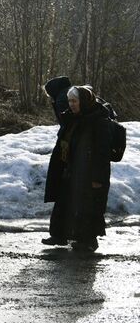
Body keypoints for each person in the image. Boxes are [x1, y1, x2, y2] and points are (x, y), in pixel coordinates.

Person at [43, 86, 113, 252]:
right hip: (71, 170)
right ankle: (59, 235)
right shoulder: (71, 118)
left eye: (75, 101)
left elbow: (102, 154)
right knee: (64, 202)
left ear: (84, 101)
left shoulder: (98, 121)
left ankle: (88, 240)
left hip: (89, 174)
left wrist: (98, 179)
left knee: (87, 207)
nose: (72, 104)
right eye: (70, 101)